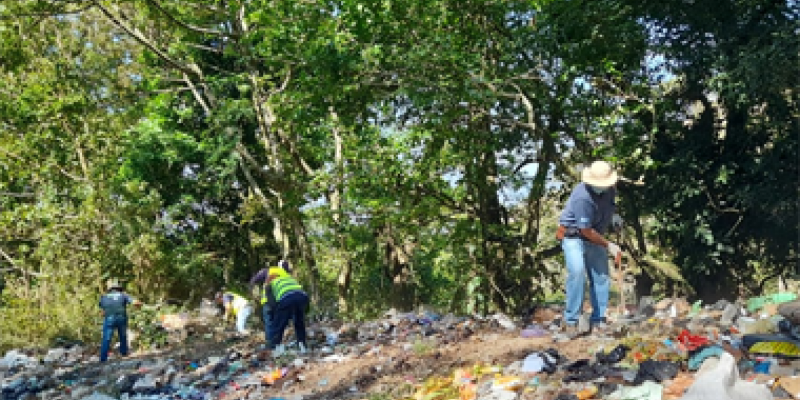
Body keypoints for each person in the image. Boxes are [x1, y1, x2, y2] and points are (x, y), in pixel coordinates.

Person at [556, 161, 623, 336]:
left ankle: (598, 320)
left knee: (601, 277)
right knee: (577, 273)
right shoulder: (582, 197)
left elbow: (611, 205)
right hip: (575, 236)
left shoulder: (610, 189)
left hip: (596, 235)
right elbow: (585, 230)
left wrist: (615, 216)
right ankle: (571, 321)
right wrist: (609, 245)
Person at [264, 264, 309, 354]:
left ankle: (274, 347)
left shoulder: (269, 284)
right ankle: (302, 345)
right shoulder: (289, 279)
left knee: (278, 325)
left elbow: (272, 303)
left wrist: (277, 314)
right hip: (302, 297)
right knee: (299, 323)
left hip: (287, 299)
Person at [249, 260, 293, 343]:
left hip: (268, 302)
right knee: (278, 323)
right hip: (281, 302)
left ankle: (270, 344)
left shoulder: (270, 270)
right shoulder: (288, 276)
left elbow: (254, 280)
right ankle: (277, 343)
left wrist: (253, 291)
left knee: (269, 323)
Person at [99, 278, 140, 362]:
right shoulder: (123, 295)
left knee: (106, 338)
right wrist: (140, 304)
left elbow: (102, 312)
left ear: (109, 289)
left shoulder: (104, 297)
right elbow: (135, 302)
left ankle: (103, 359)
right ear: (118, 288)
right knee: (123, 336)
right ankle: (124, 354)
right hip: (121, 318)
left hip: (109, 319)